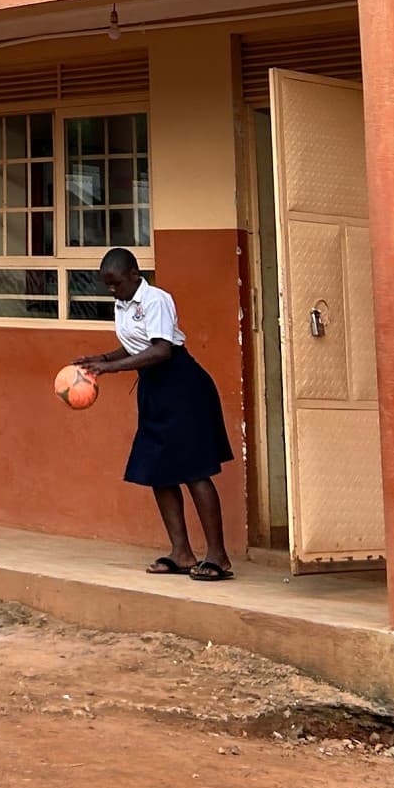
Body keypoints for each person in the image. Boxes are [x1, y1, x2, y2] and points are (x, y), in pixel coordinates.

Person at [74, 247, 234, 581]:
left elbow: (162, 349)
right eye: (107, 285)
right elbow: (136, 344)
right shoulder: (122, 304)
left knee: (194, 469)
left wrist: (110, 368)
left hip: (182, 386)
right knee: (157, 470)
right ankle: (182, 552)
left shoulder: (156, 299)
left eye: (116, 283)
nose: (112, 291)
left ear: (134, 274)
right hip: (154, 391)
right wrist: (101, 357)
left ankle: (218, 556)